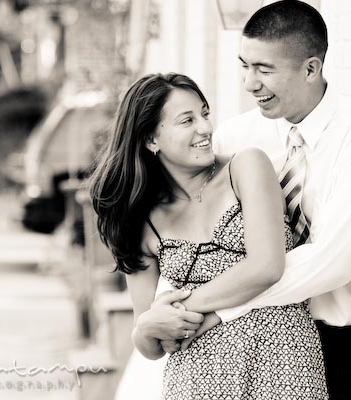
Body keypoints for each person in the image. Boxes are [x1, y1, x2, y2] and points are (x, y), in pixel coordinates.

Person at [143, 1, 351, 399]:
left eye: (264, 69)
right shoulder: (233, 137)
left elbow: (333, 260)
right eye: (245, 65)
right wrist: (160, 313)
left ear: (310, 68)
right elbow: (196, 236)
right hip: (234, 350)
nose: (249, 83)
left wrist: (211, 308)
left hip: (331, 350)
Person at [91, 72, 328, 399]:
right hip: (197, 381)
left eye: (204, 113)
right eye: (187, 120)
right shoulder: (142, 223)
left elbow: (267, 267)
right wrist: (145, 329)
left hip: (282, 363)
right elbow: (153, 341)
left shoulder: (245, 167)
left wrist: (185, 308)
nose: (205, 128)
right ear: (150, 139)